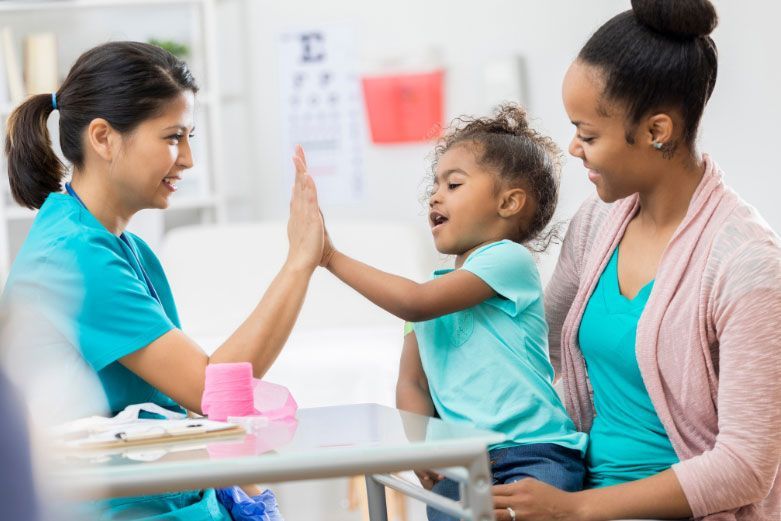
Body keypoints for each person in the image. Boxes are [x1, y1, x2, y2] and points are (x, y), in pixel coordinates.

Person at [1, 41, 324, 520]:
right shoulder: (71, 257)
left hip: (166, 494)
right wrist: (300, 262)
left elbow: (183, 406)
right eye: (173, 137)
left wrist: (251, 498)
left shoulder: (125, 248)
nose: (188, 159)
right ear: (104, 138)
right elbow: (212, 390)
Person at [490, 1, 781, 520]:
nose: (574, 148)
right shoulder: (596, 226)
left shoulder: (747, 265)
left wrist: (578, 510)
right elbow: (537, 352)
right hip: (580, 493)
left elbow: (746, 465)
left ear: (656, 131)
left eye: (589, 133)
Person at [305, 104, 588, 521]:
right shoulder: (432, 290)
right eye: (434, 187)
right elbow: (413, 382)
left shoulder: (508, 261)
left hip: (534, 451)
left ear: (509, 203)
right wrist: (421, 445)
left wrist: (329, 256)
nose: (435, 196)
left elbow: (414, 302)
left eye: (453, 184)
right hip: (460, 461)